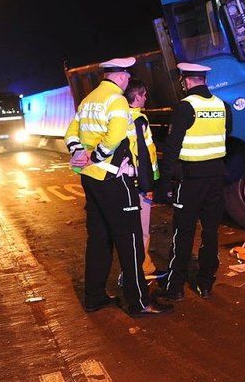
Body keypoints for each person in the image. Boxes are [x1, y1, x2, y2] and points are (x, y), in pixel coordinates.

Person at [64, 57, 172, 317]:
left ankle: (94, 297)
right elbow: (115, 137)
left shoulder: (89, 99)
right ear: (122, 77)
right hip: (114, 179)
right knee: (131, 240)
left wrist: (80, 153)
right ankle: (139, 302)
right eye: (126, 77)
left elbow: (70, 132)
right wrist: (99, 155)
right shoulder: (117, 100)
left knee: (99, 238)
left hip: (90, 178)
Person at [161, 62, 232, 301]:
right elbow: (226, 135)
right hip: (216, 178)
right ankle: (206, 284)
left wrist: (164, 183)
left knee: (183, 232)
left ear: (186, 81)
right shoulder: (222, 106)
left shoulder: (185, 107)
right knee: (210, 232)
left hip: (190, 180)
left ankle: (175, 287)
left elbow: (173, 146)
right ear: (204, 80)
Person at [123, 78, 168, 282]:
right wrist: (148, 186)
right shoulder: (139, 120)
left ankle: (133, 269)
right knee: (142, 228)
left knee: (130, 228)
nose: (146, 98)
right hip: (141, 183)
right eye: (144, 94)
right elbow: (143, 152)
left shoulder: (122, 117)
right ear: (138, 96)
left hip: (128, 180)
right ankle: (143, 270)